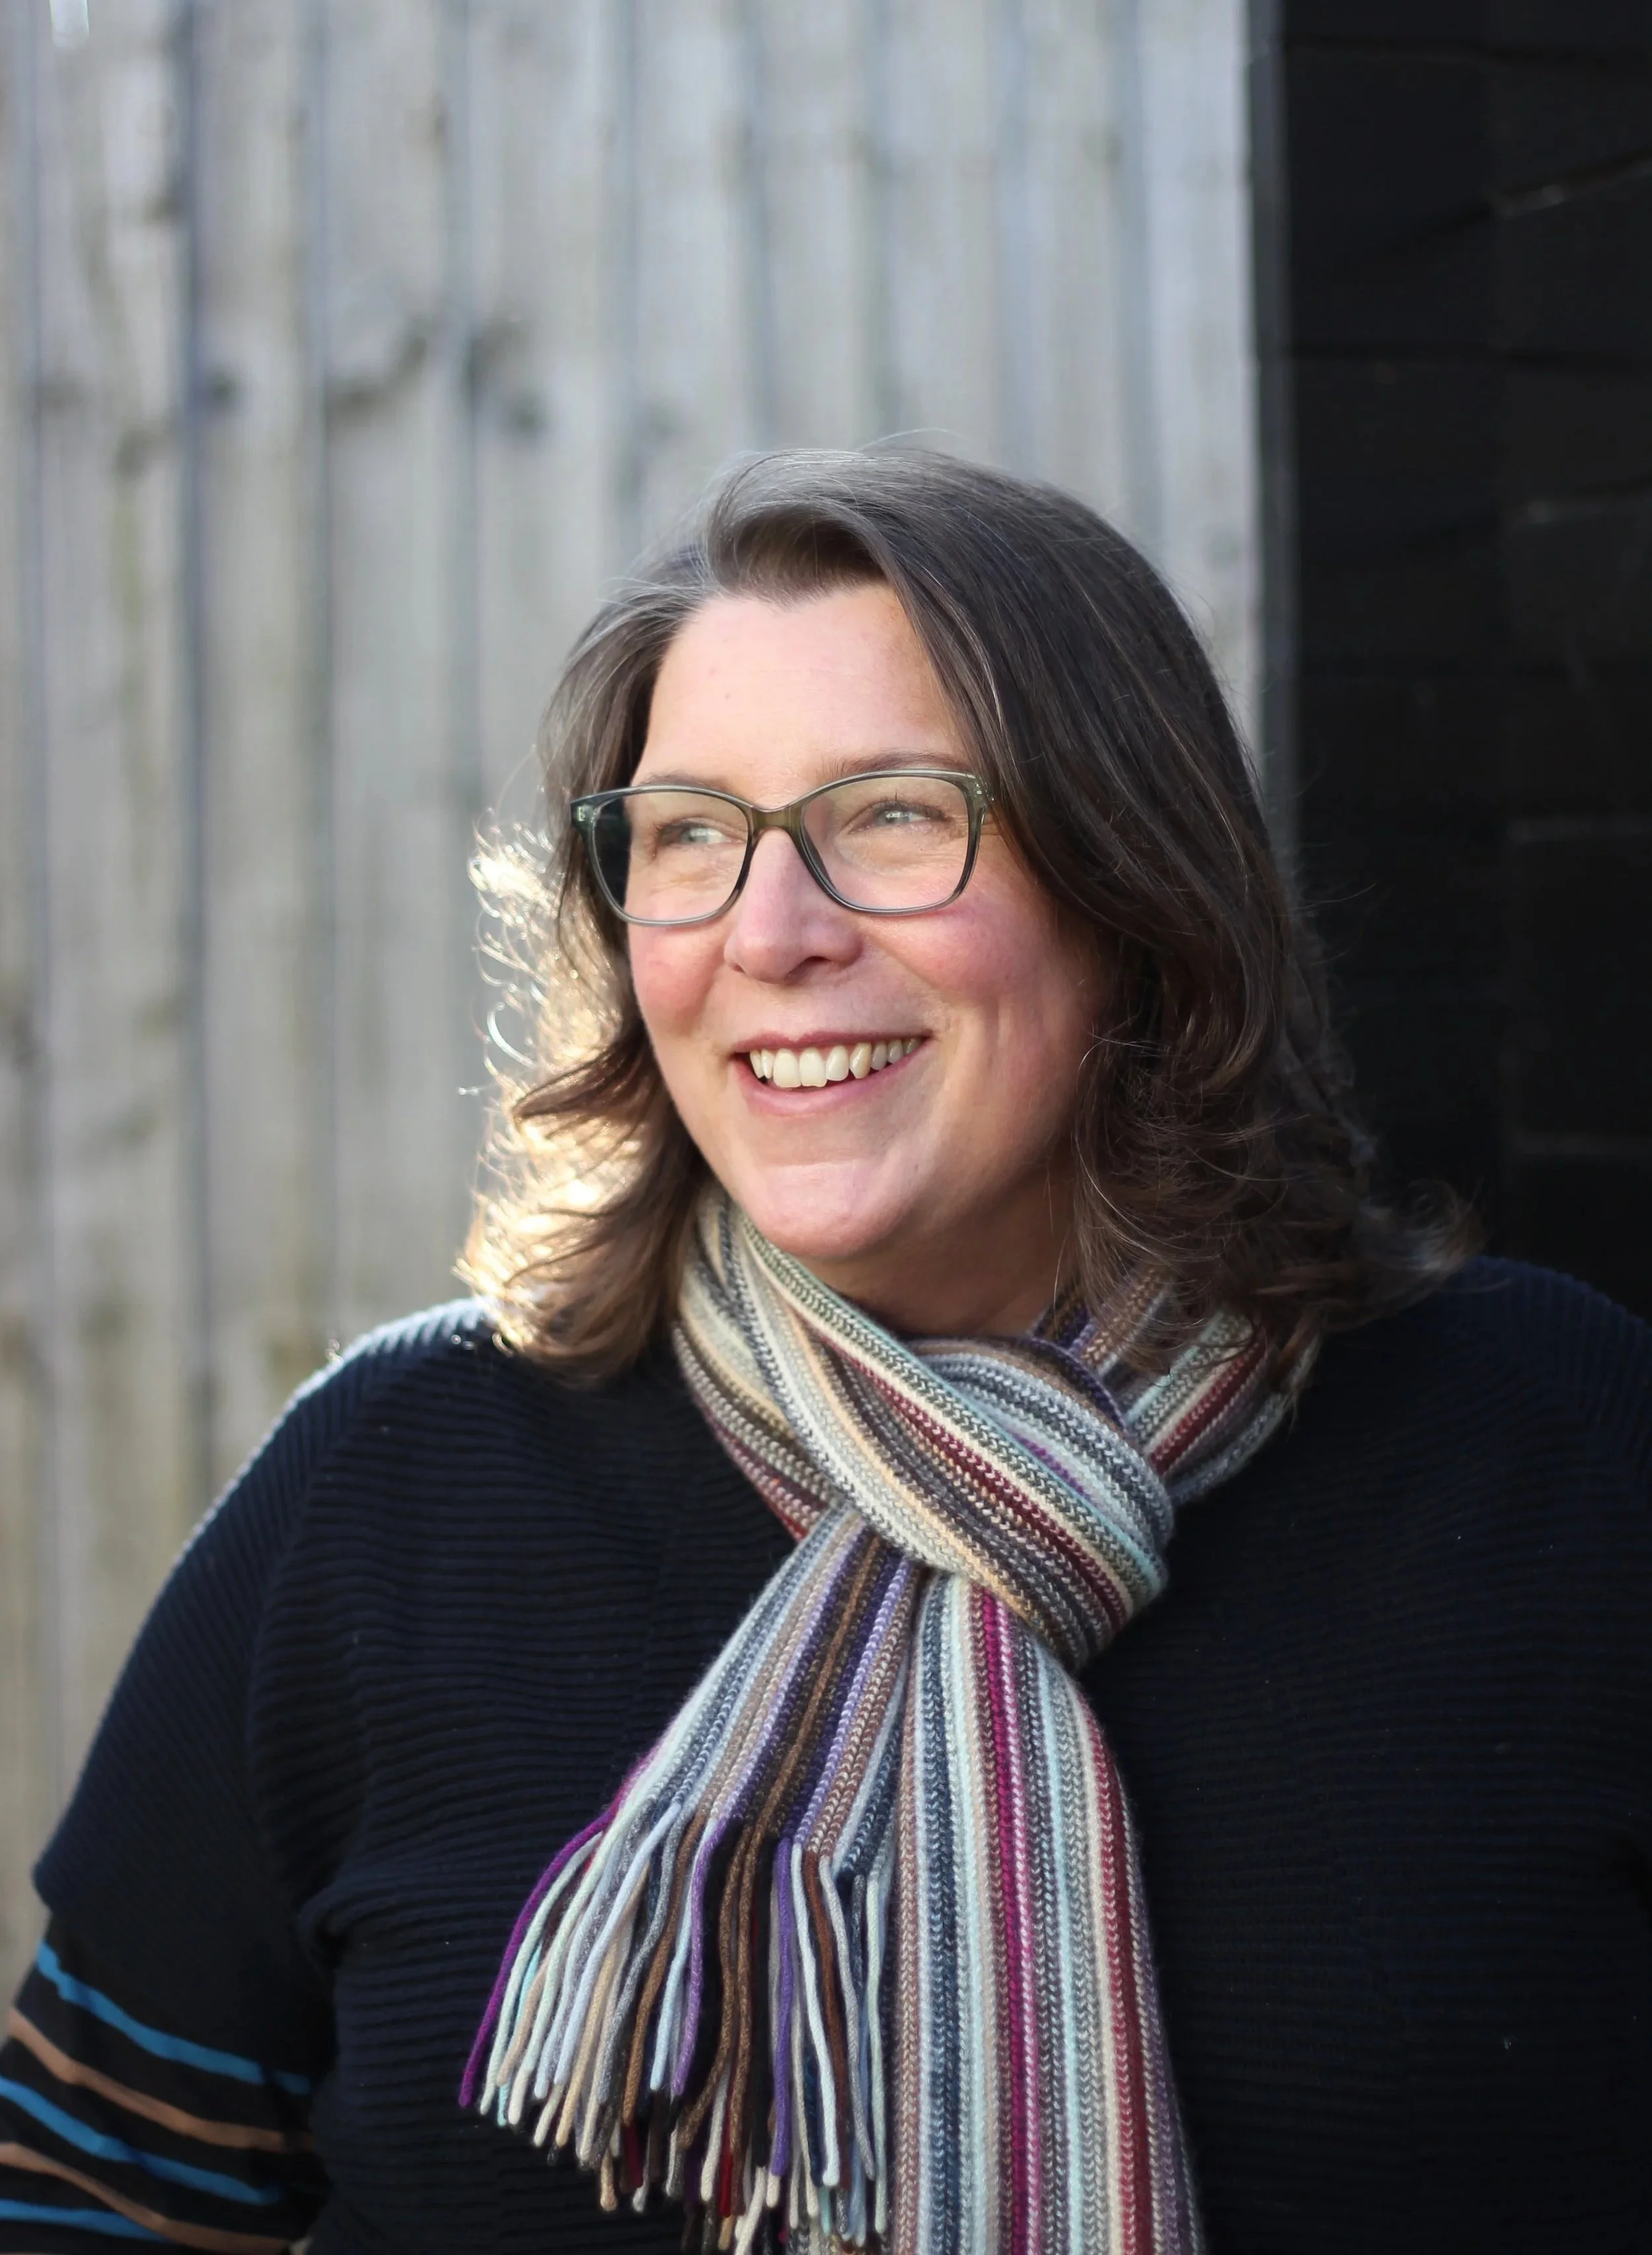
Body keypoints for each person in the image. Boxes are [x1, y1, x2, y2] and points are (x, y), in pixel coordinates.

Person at [1, 451, 1648, 2255]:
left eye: (888, 814)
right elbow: (87, 2196)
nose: (770, 935)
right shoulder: (385, 1494)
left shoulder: (1551, 1452)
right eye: (689, 833)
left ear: (1134, 886)